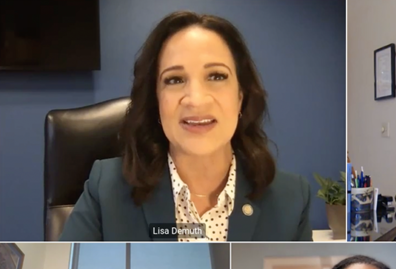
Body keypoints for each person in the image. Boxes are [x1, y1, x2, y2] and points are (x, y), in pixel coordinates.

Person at [60, 11, 312, 242]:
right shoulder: (106, 190)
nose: (196, 99)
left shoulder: (291, 199)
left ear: (240, 97)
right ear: (156, 100)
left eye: (216, 76)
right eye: (175, 79)